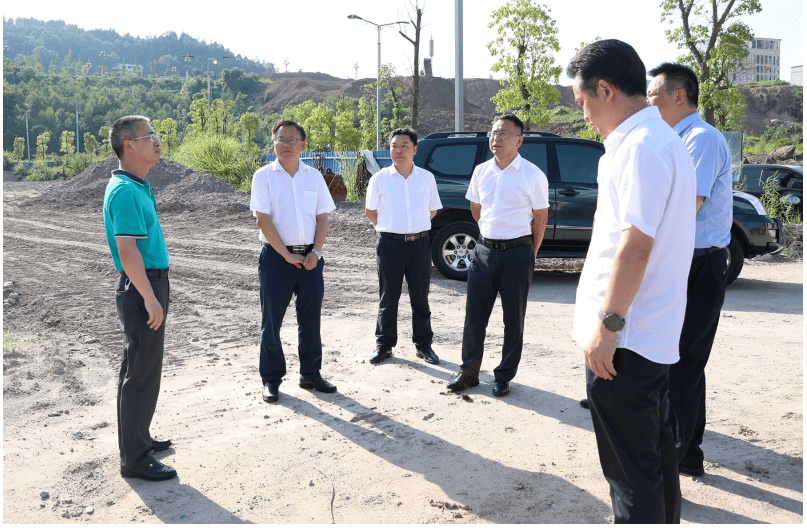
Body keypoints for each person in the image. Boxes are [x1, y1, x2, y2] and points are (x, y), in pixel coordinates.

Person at [567, 40, 696, 523]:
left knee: (629, 472)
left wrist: (608, 327)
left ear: (605, 89)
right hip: (647, 336)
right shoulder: (660, 141)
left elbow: (636, 246)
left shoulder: (641, 148)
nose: (583, 115)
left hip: (627, 340)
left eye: (582, 102)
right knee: (654, 456)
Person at [647, 62, 733, 478]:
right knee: (671, 355)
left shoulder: (700, 139)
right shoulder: (676, 139)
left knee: (684, 361)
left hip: (699, 262)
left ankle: (685, 453)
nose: (649, 102)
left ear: (678, 96)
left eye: (654, 94)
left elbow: (687, 204)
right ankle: (679, 447)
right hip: (683, 258)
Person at [446, 114, 549, 397]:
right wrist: (489, 237)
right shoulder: (481, 171)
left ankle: (503, 376)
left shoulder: (532, 174)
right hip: (484, 251)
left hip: (518, 252)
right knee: (474, 316)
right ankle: (469, 372)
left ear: (519, 140)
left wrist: (531, 253)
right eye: (493, 133)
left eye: (503, 133)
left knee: (513, 318)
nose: (496, 138)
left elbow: (540, 218)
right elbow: (476, 210)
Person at [103, 115, 176, 481]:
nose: (158, 141)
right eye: (151, 136)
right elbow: (127, 250)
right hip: (142, 285)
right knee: (142, 373)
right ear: (128, 144)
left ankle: (138, 439)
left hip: (146, 283)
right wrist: (150, 298)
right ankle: (135, 458)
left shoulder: (136, 184)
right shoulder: (126, 191)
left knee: (138, 367)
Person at [251, 120, 337, 404]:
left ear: (303, 144)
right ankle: (271, 379)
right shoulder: (263, 177)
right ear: (273, 143)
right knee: (272, 321)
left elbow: (323, 217)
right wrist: (286, 255)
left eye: (292, 139)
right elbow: (263, 219)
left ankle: (311, 374)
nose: (285, 144)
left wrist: (316, 252)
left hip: (311, 258)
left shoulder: (313, 177)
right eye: (280, 139)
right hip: (277, 258)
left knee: (310, 319)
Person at [365, 128, 443, 366]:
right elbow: (371, 212)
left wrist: (414, 229)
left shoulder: (427, 178)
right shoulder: (379, 179)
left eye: (404, 146)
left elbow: (433, 210)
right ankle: (384, 345)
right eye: (394, 146)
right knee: (388, 297)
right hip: (389, 245)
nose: (398, 151)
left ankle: (424, 346)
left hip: (419, 244)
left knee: (420, 297)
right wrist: (390, 229)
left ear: (415, 149)